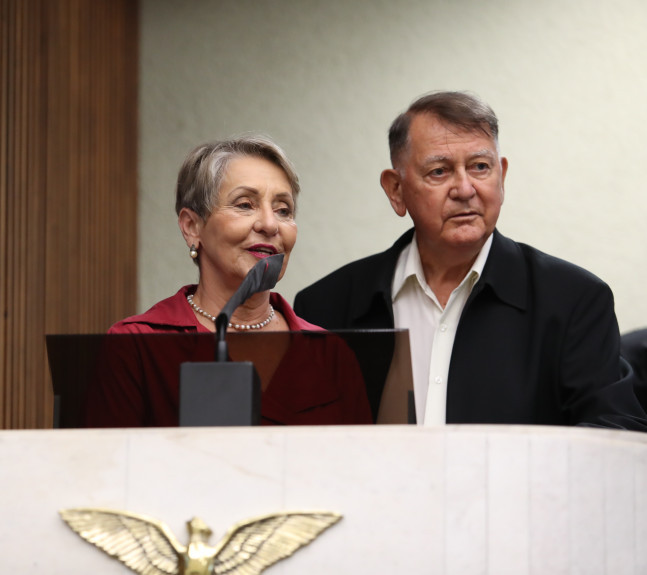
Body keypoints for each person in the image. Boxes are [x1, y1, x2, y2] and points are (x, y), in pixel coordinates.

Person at [294, 91, 647, 430]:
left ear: (502, 177)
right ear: (396, 190)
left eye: (480, 167)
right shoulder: (327, 306)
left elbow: (614, 429)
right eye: (439, 172)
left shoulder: (573, 300)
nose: (465, 189)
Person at [85, 135, 373, 427]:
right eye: (245, 204)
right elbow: (110, 468)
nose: (270, 225)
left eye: (283, 210)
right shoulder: (137, 345)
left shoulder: (329, 352)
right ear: (192, 226)